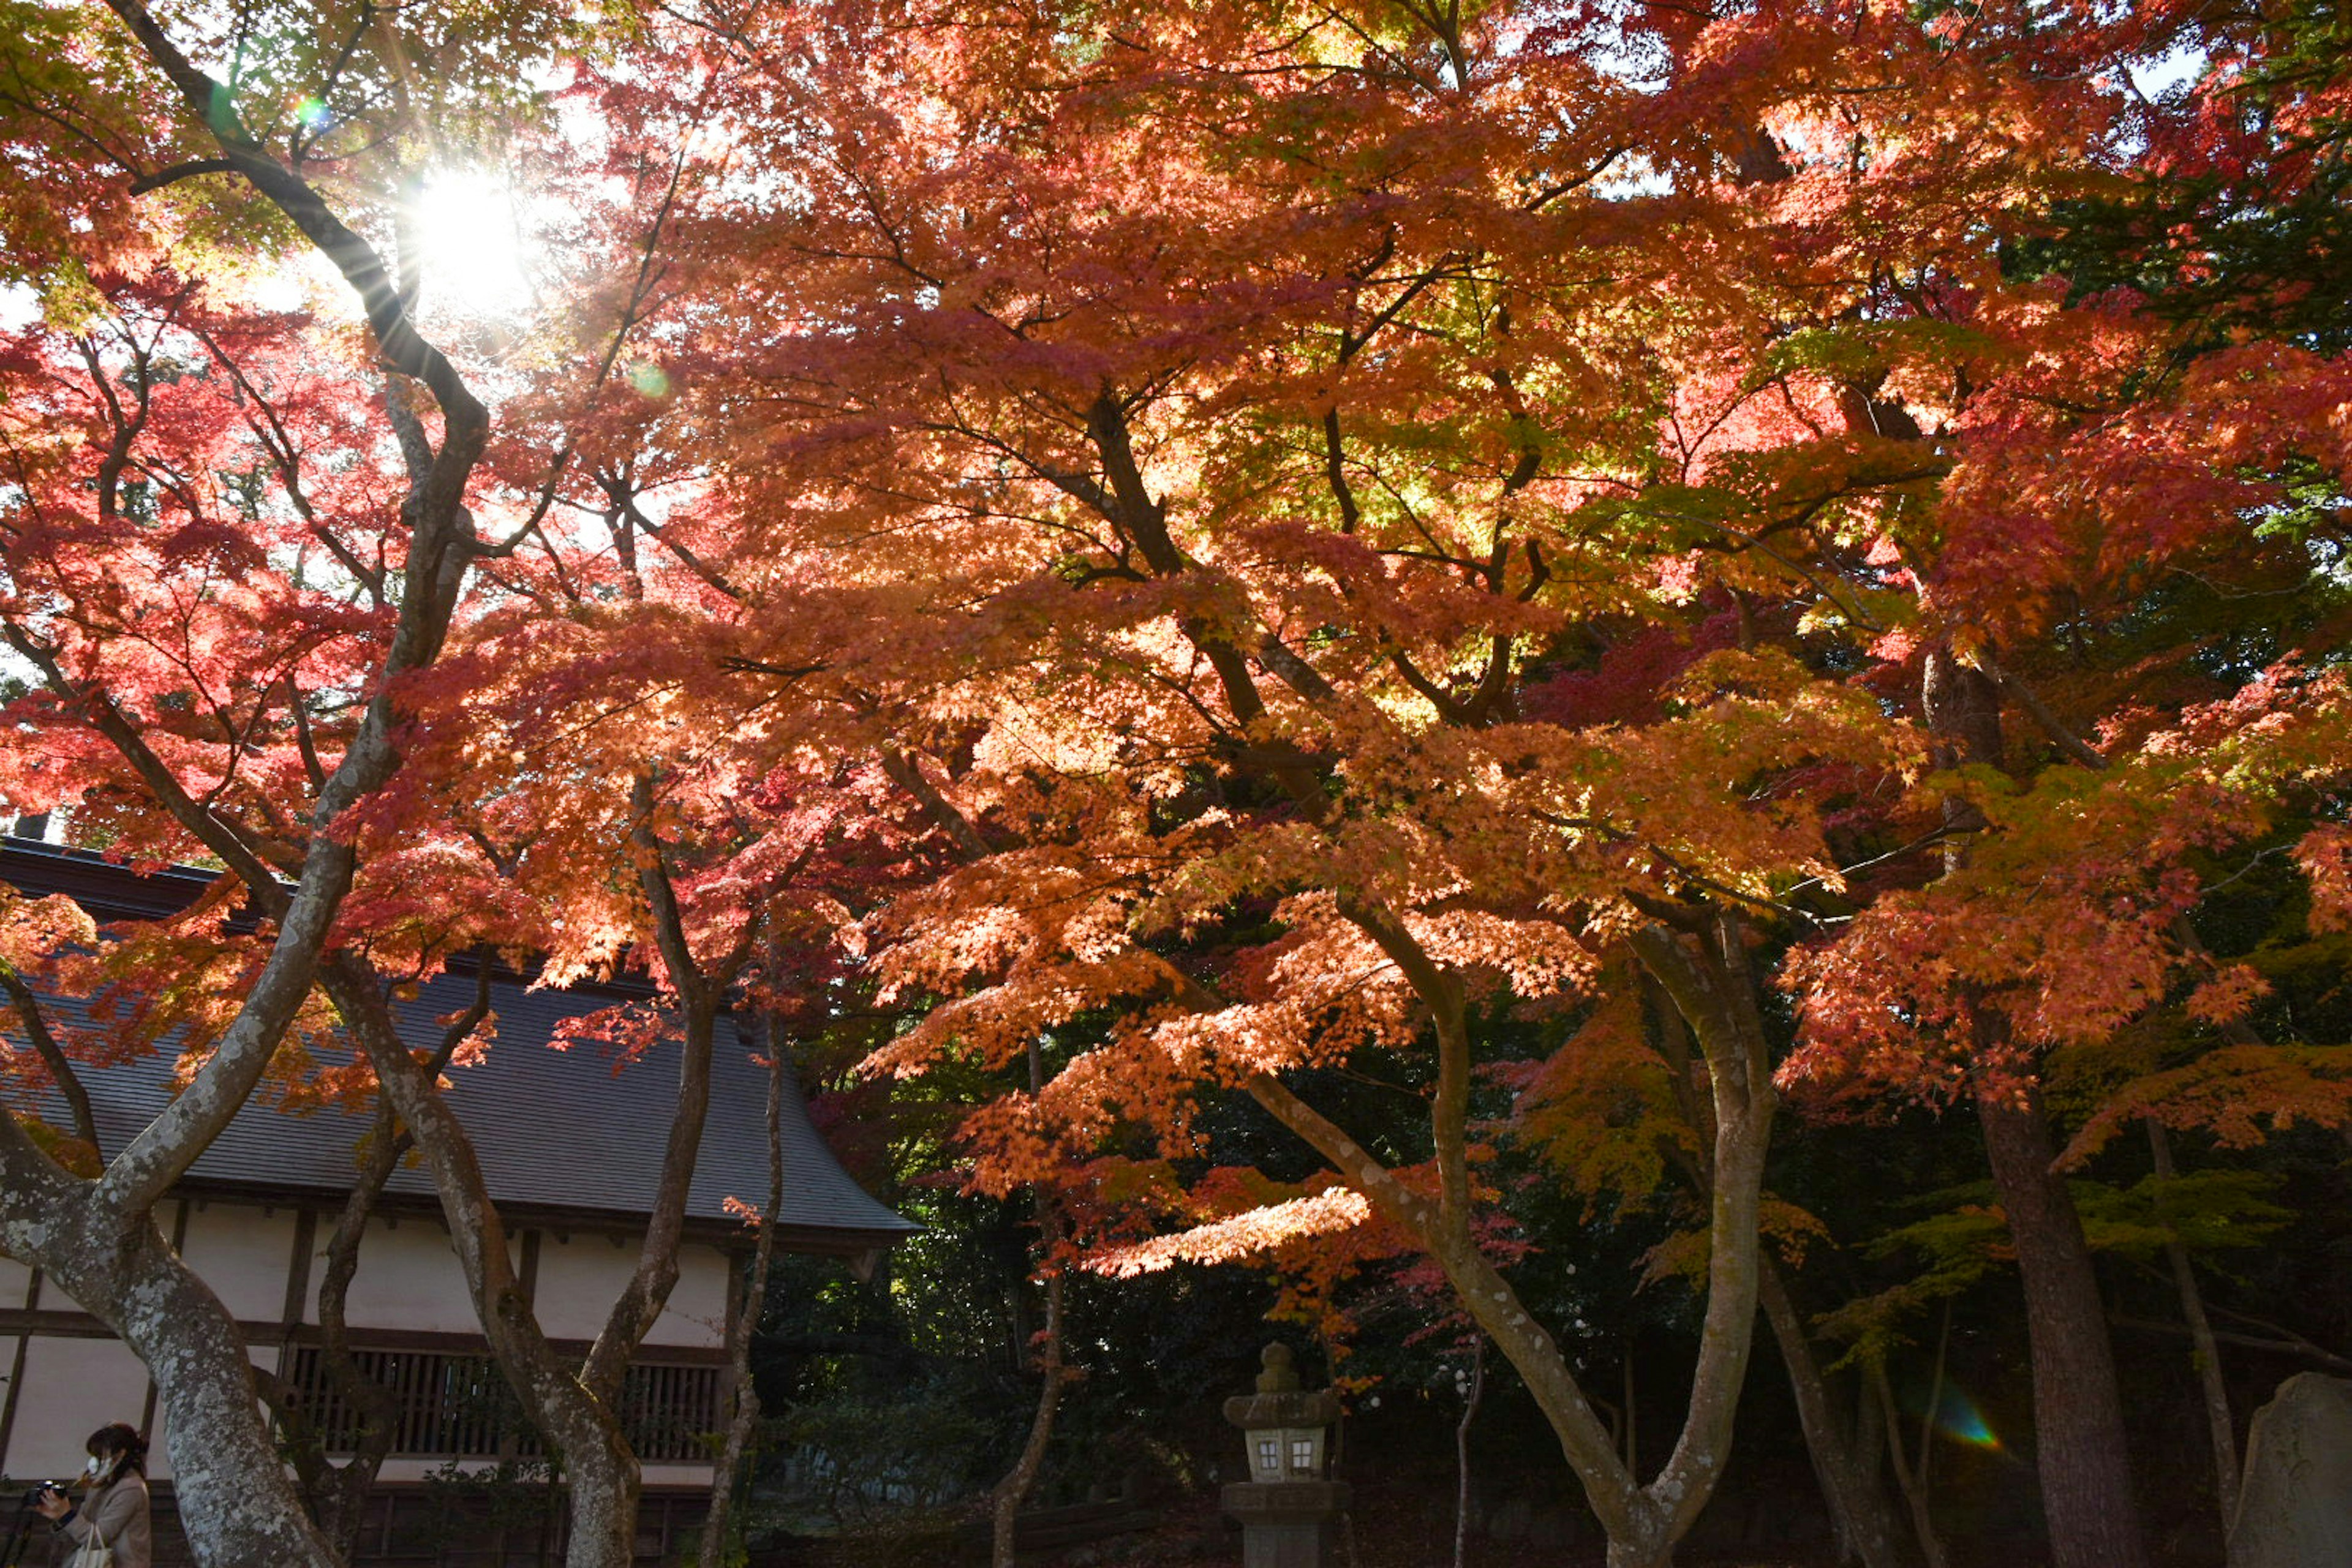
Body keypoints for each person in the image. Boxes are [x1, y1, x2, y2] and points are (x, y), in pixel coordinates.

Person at [31, 1423, 151, 1568]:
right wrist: (58, 1517)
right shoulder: (101, 1484)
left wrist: (67, 1515)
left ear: (120, 1454)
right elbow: (80, 1533)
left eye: (100, 1456)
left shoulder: (131, 1489)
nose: (94, 1461)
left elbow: (98, 1538)